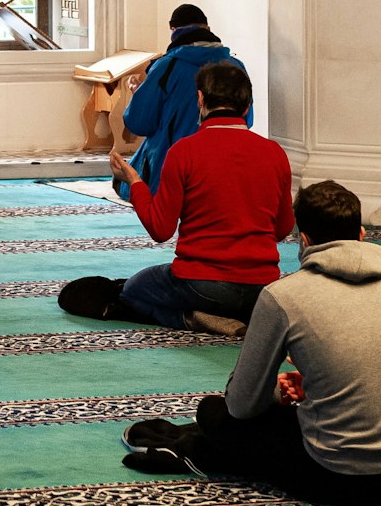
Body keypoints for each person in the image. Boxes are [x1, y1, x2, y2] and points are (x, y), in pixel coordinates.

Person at [121, 180, 381, 506]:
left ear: (303, 241)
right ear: (361, 235)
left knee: (213, 413)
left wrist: (277, 393)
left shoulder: (283, 295)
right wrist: (319, 383)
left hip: (338, 480)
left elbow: (242, 406)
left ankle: (197, 453)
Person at [60, 63, 292, 336]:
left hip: (201, 284)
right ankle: (233, 316)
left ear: (201, 99)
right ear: (247, 105)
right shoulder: (274, 153)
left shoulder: (185, 152)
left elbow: (161, 229)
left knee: (133, 290)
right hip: (261, 287)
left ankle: (192, 318)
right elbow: (283, 229)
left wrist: (135, 183)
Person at [115, 3, 252, 199]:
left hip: (171, 171)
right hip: (229, 171)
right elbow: (247, 121)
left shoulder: (167, 67)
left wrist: (139, 94)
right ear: (208, 30)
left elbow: (139, 122)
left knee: (125, 179)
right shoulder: (237, 67)